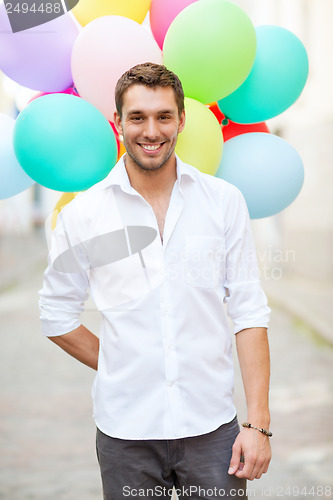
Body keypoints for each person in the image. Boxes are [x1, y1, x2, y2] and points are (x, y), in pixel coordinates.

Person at [39, 62, 272, 500]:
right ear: (118, 123)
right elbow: (56, 315)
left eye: (164, 116)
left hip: (212, 429)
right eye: (138, 117)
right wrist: (124, 363)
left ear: (182, 120)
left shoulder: (223, 202)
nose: (152, 131)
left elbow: (249, 312)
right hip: (125, 433)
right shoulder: (83, 215)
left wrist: (257, 424)